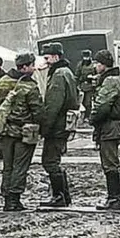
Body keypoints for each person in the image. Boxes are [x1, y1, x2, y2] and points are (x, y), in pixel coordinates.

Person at [0, 53, 42, 211]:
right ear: (25, 67)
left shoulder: (2, 82)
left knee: (8, 166)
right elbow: (38, 111)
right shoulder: (29, 86)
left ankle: (7, 197)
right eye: (32, 65)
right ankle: (14, 199)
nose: (34, 68)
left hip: (5, 132)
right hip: (24, 133)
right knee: (20, 166)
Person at [39, 41, 80, 207]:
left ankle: (59, 196)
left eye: (48, 57)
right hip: (63, 124)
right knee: (54, 160)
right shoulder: (67, 72)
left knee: (50, 161)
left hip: (57, 126)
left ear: (56, 57)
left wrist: (44, 128)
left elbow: (53, 105)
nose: (46, 61)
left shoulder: (58, 75)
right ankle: (64, 196)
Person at [89, 49, 120, 211]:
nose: (95, 66)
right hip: (112, 126)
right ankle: (115, 198)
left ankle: (115, 199)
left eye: (97, 63)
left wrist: (92, 117)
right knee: (112, 162)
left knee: (110, 163)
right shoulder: (115, 79)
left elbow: (102, 105)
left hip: (109, 127)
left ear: (103, 65)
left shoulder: (110, 81)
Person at [77, 50, 98, 123]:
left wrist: (92, 77)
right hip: (82, 86)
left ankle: (87, 116)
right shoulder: (80, 65)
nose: (86, 59)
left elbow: (98, 74)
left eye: (87, 57)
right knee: (81, 102)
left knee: (88, 102)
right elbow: (77, 74)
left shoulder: (93, 65)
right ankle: (82, 116)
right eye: (84, 57)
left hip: (90, 86)